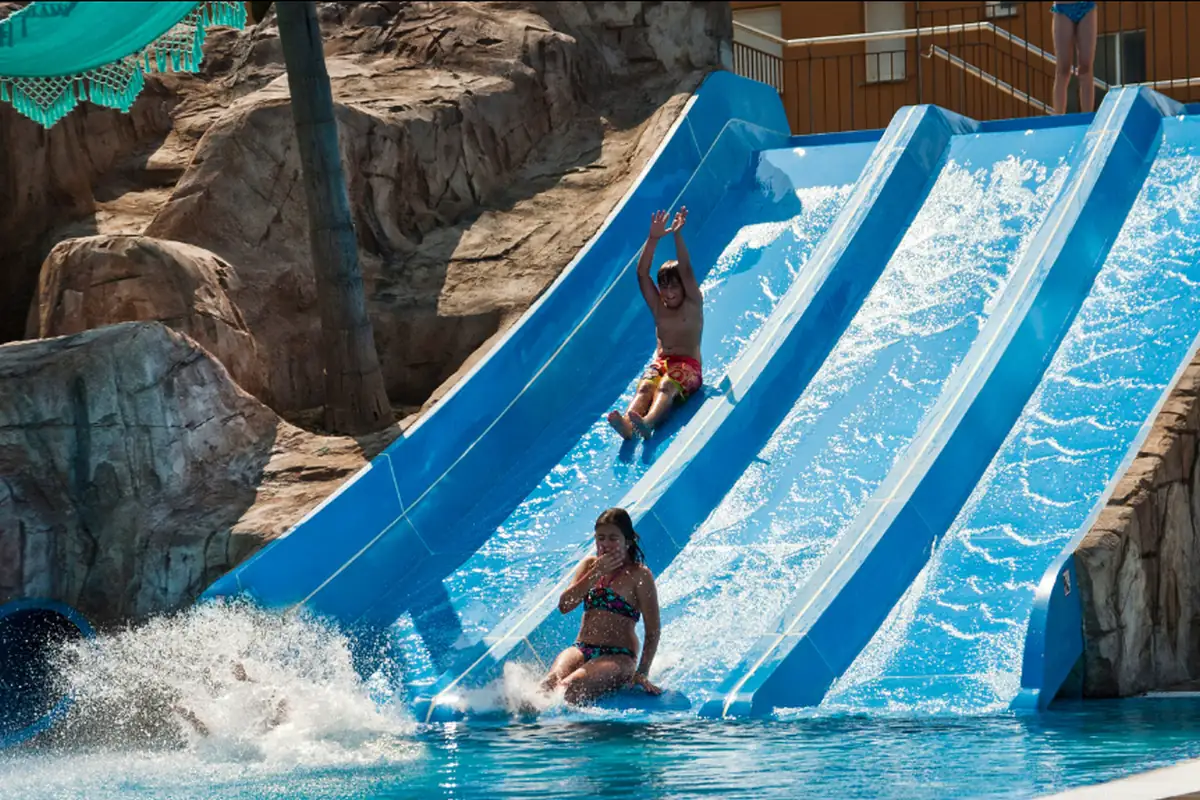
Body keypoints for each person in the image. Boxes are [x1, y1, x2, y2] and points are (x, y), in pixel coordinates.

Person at [541, 508, 663, 705]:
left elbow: (653, 630)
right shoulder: (589, 565)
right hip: (582, 649)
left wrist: (642, 672)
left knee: (569, 688)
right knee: (548, 684)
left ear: (627, 541)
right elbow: (565, 606)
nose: (605, 544)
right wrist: (596, 573)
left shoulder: (640, 575)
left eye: (613, 538)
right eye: (600, 538)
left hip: (618, 657)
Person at [607, 206, 704, 440]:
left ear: (684, 287)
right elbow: (642, 274)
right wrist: (653, 238)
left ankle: (648, 423)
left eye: (674, 287)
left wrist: (677, 235)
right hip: (662, 362)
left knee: (666, 386)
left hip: (689, 367)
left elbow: (686, 269)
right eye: (664, 287)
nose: (669, 293)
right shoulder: (659, 306)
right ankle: (628, 425)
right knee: (645, 388)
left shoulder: (693, 303)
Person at [1051, 2, 1097, 115]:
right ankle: (1059, 117)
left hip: (1086, 6)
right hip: (1063, 8)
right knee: (1063, 69)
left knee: (1086, 67)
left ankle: (1087, 116)